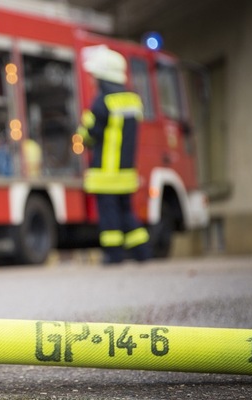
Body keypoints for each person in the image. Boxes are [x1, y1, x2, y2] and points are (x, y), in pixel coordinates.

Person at [77, 45, 151, 264]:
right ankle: (142, 252)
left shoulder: (102, 102)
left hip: (106, 171)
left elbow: (91, 135)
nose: (93, 80)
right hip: (126, 171)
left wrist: (84, 128)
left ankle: (114, 255)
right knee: (127, 212)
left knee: (110, 216)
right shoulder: (133, 100)